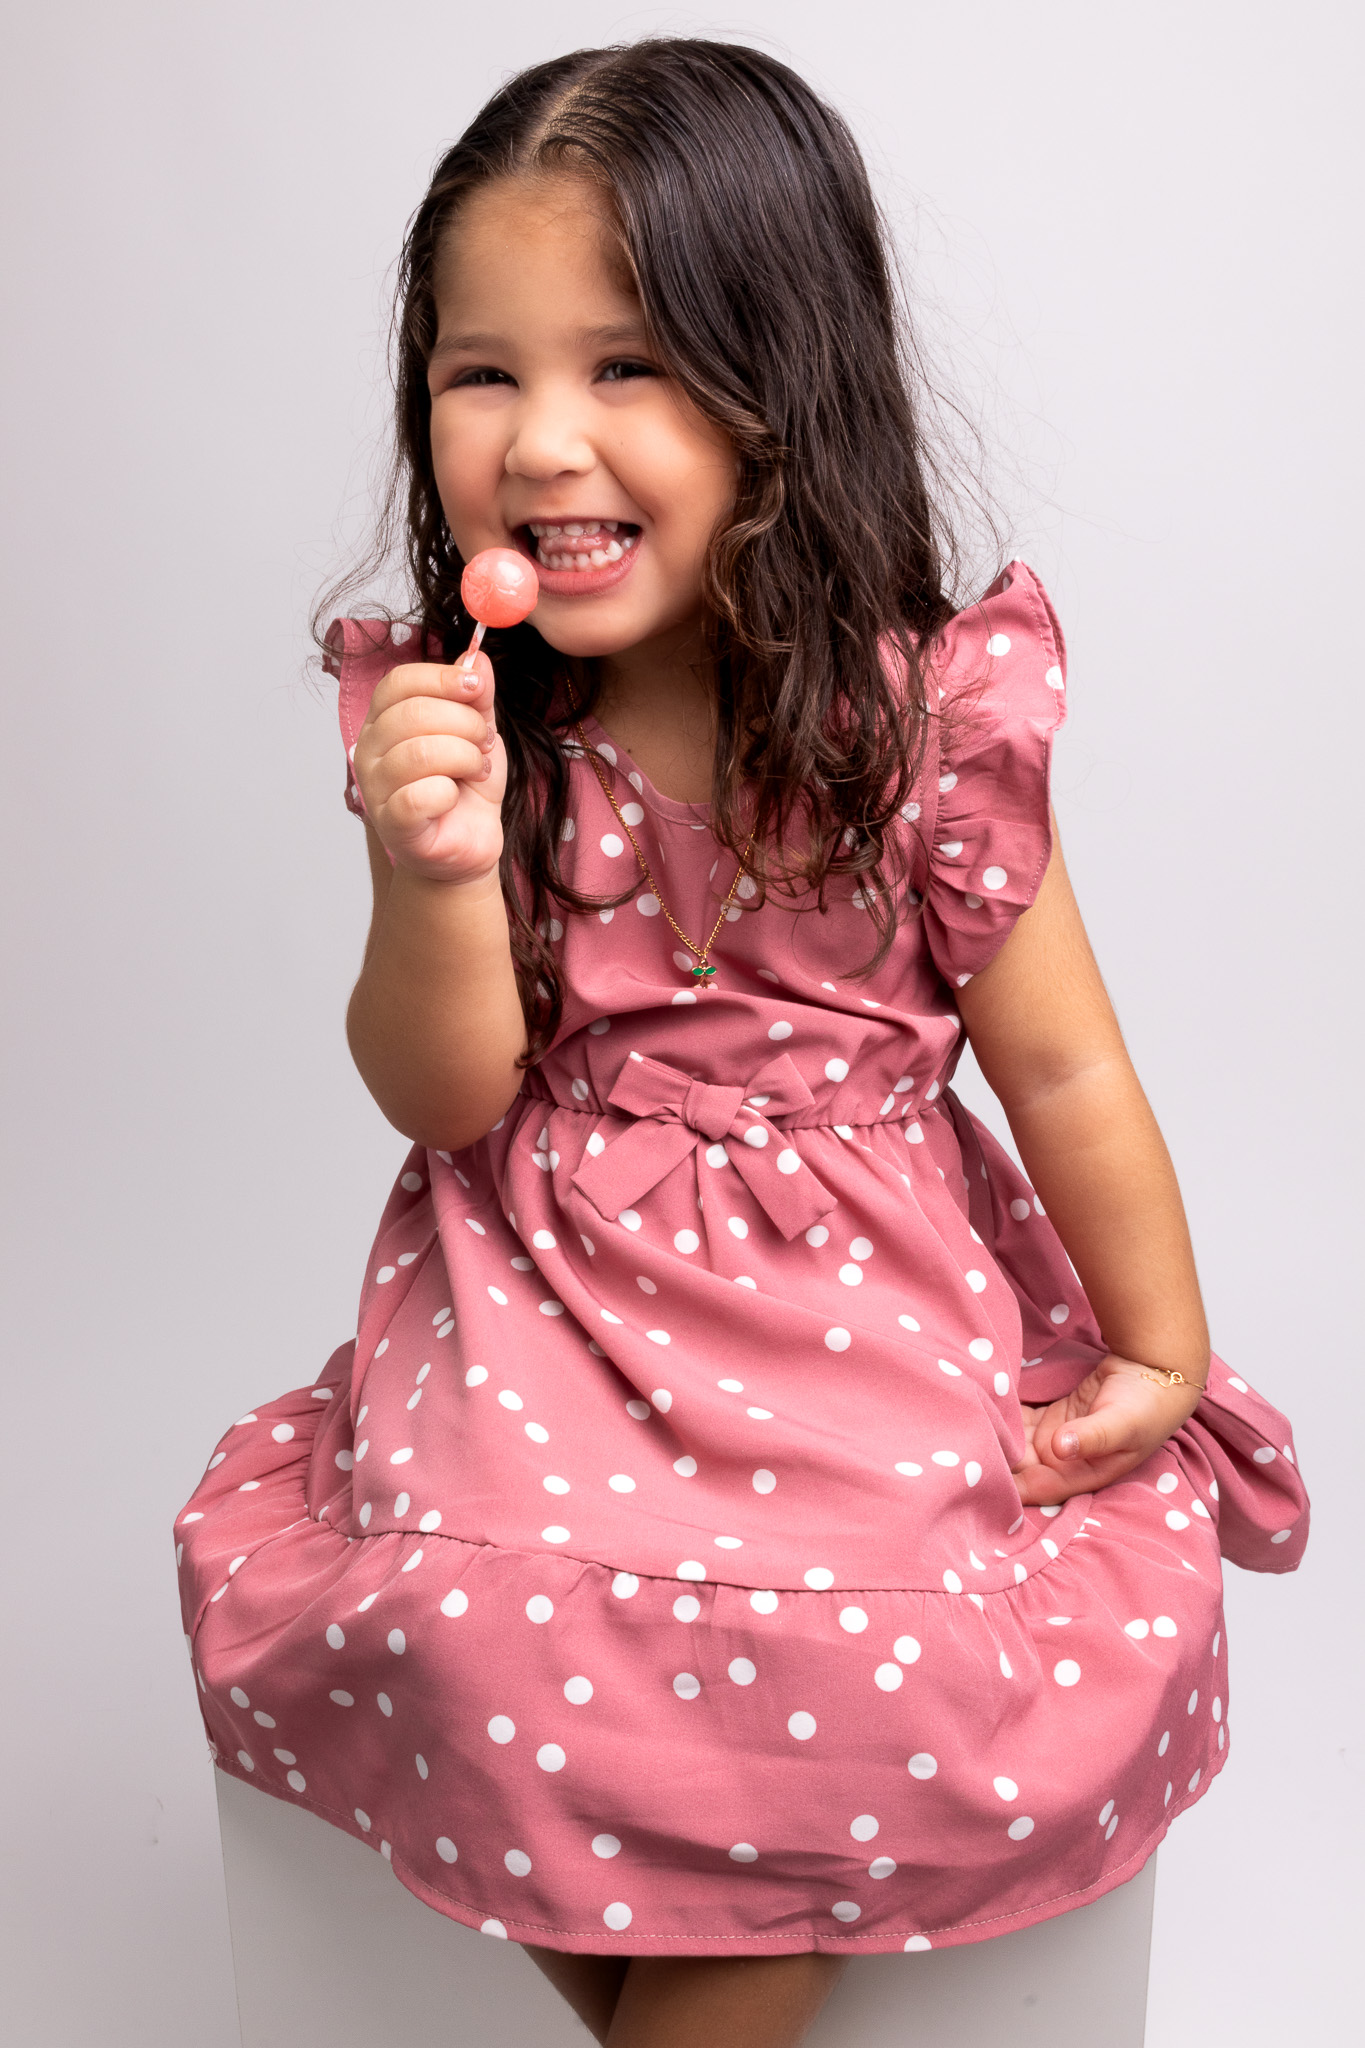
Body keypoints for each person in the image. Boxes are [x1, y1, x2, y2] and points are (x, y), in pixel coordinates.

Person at [175, 39, 1309, 2048]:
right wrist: (432, 874)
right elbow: (442, 1094)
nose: (538, 443)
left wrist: (1157, 1344)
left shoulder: (916, 727)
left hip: (851, 1310)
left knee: (822, 1686)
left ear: (781, 400)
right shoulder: (480, 724)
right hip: (540, 1301)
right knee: (466, 1630)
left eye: (624, 367)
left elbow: (1059, 1066)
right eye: (480, 372)